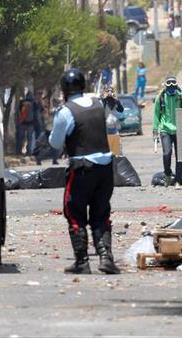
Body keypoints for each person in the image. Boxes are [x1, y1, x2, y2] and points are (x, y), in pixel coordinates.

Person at [49, 68, 120, 275]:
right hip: (105, 169)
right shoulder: (98, 105)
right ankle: (106, 258)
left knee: (74, 213)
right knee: (101, 213)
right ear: (83, 86)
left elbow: (55, 143)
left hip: (81, 170)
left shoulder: (65, 112)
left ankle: (82, 261)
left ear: (64, 90)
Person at [152, 75, 182, 188]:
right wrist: (155, 130)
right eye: (169, 84)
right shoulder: (161, 97)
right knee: (167, 153)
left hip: (179, 130)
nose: (171, 86)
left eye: (173, 83)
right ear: (165, 85)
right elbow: (156, 114)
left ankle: (178, 180)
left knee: (180, 156)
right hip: (165, 130)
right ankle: (167, 174)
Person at [102, 86, 124, 155]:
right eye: (108, 91)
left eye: (111, 91)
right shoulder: (103, 101)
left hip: (114, 128)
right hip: (105, 129)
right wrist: (105, 98)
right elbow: (100, 108)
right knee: (106, 149)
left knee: (118, 149)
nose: (109, 93)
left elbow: (121, 110)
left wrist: (117, 100)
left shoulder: (114, 101)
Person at [16, 91, 37, 155]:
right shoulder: (34, 102)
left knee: (20, 138)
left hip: (22, 122)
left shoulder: (21, 102)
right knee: (30, 138)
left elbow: (18, 112)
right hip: (30, 123)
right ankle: (29, 152)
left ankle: (19, 151)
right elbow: (36, 113)